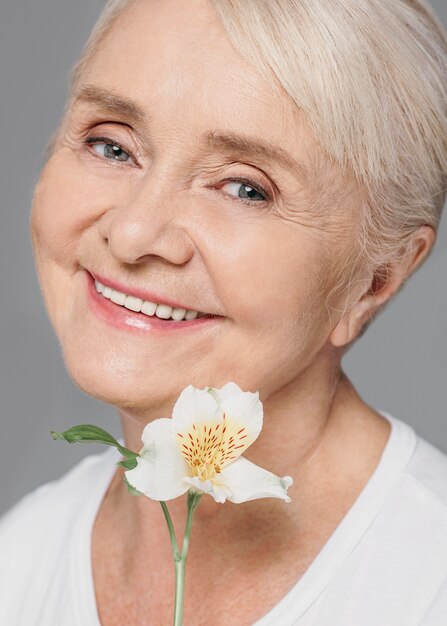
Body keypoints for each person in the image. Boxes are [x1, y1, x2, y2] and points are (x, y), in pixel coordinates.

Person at [1, 0, 446, 624]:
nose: (132, 234)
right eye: (111, 145)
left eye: (245, 188)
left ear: (374, 281)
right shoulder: (19, 561)